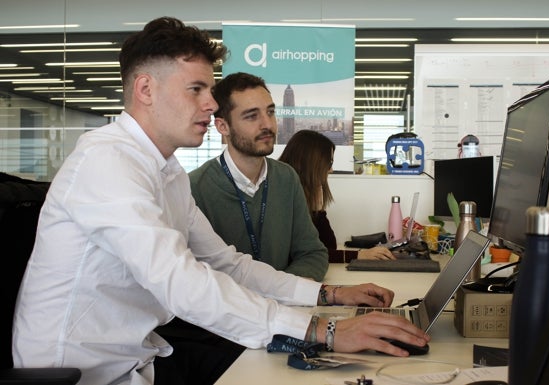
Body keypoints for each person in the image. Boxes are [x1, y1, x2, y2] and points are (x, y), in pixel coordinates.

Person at [11, 17, 430, 385]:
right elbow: (180, 280)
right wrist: (325, 331)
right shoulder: (105, 162)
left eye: (209, 90)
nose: (211, 104)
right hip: (85, 374)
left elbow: (228, 265)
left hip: (140, 357)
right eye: (196, 89)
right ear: (145, 89)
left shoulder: (166, 172)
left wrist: (329, 297)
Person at [188, 72, 328, 281]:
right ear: (222, 126)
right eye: (252, 116)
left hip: (282, 309)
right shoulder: (195, 187)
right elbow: (192, 276)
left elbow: (312, 253)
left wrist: (281, 294)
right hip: (227, 311)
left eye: (270, 112)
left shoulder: (286, 178)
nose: (267, 124)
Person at [279, 130, 396, 263]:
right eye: (329, 163)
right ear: (312, 164)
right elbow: (308, 254)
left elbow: (327, 246)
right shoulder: (281, 199)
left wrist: (318, 210)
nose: (331, 170)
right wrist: (358, 255)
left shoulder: (297, 194)